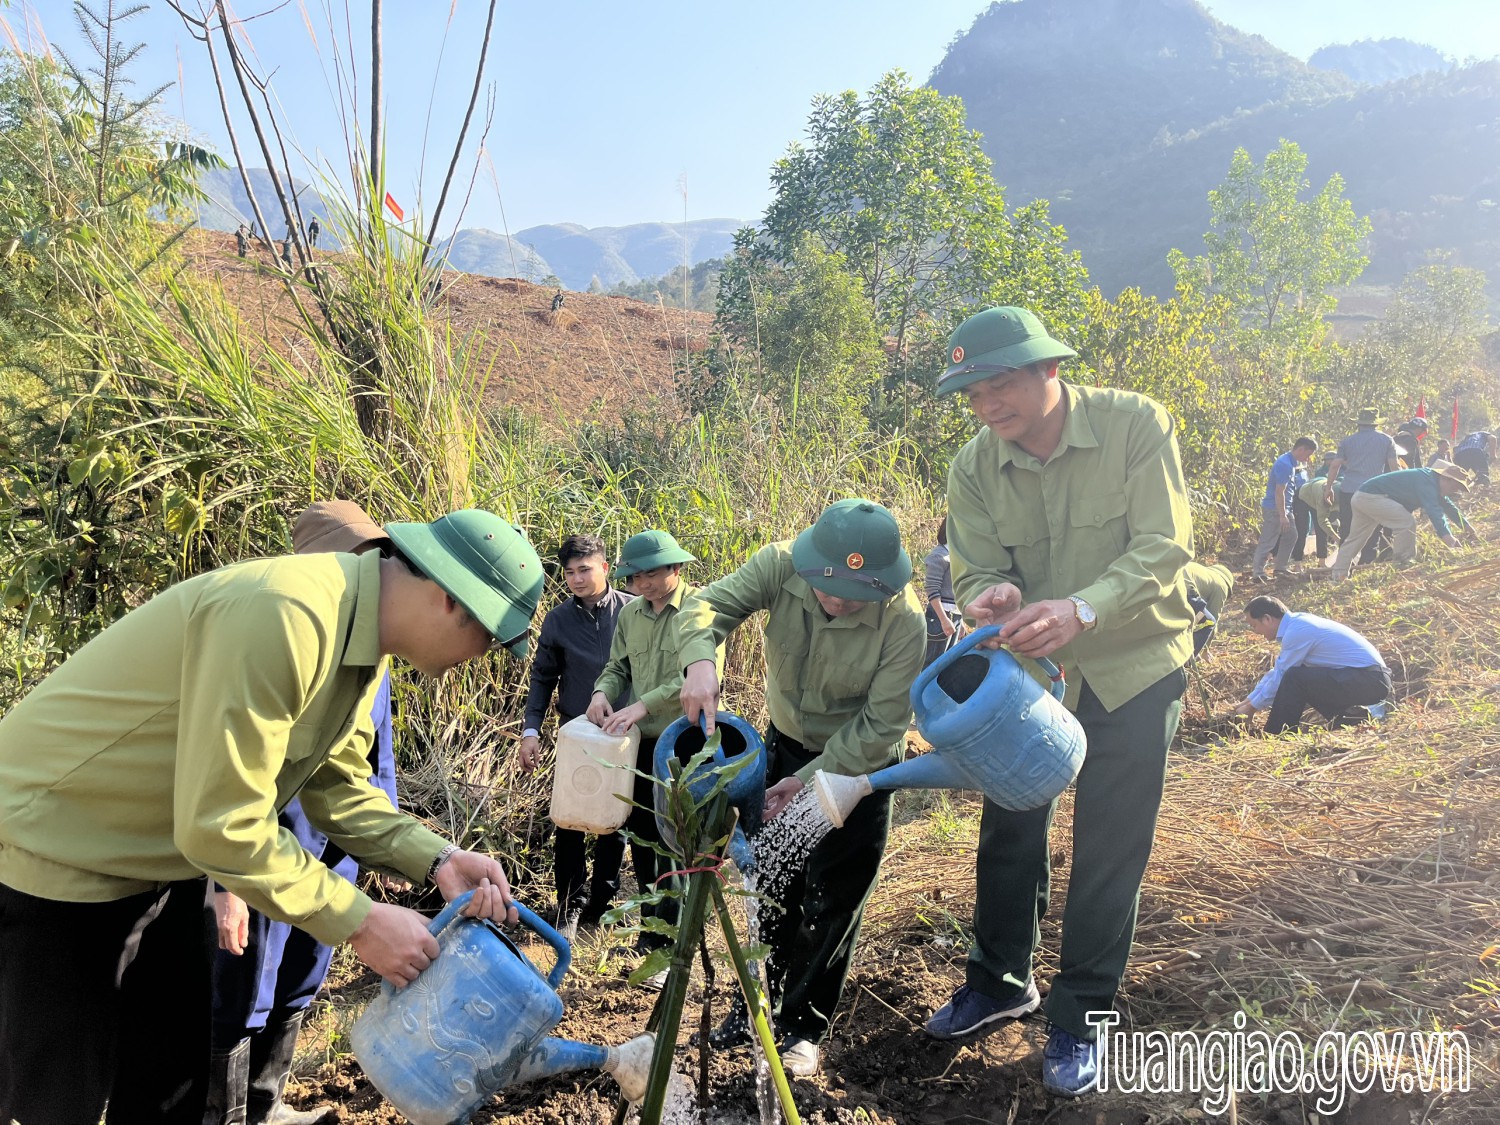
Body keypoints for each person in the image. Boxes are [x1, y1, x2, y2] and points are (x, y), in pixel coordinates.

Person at [0, 508, 543, 1125]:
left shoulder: (361, 642)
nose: (482, 658)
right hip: (57, 853)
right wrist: (361, 923)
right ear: (450, 600)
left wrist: (439, 859)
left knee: (168, 1086)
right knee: (56, 1098)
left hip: (159, 865)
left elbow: (336, 789)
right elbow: (222, 823)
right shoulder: (289, 614)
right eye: (489, 639)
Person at [925, 306, 1196, 1098]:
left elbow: (1165, 544)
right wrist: (992, 592)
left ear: (1049, 369)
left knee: (1111, 841)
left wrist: (1084, 605)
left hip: (1134, 663)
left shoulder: (1135, 425)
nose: (985, 405)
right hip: (1034, 678)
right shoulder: (974, 465)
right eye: (971, 392)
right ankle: (1000, 979)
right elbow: (974, 571)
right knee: (1010, 826)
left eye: (998, 383)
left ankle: (1083, 1013)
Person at [678, 499, 925, 1077]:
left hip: (855, 770)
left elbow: (881, 725)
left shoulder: (904, 621)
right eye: (825, 588)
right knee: (771, 882)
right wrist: (698, 659)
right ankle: (754, 1005)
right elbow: (705, 604)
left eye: (852, 595)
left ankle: (805, 1026)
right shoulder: (780, 564)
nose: (834, 602)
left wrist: (809, 782)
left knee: (834, 896)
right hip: (785, 744)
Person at [207, 501, 396, 1125]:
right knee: (245, 987)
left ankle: (267, 1104)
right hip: (271, 847)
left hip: (336, 845)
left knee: (301, 976)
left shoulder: (376, 651)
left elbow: (376, 760)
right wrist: (225, 880)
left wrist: (386, 846)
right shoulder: (278, 632)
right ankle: (225, 1115)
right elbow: (229, 772)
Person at [586, 530, 719, 983]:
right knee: (642, 834)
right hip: (641, 744)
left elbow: (692, 676)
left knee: (677, 838)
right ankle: (653, 931)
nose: (642, 584)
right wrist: (603, 692)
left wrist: (641, 705)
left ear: (675, 570)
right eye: (636, 576)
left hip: (685, 742)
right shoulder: (631, 615)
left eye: (651, 575)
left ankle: (677, 937)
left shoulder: (700, 612)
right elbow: (618, 665)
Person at [520, 535, 635, 935]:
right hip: (576, 731)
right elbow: (542, 678)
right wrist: (531, 730)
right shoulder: (557, 620)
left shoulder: (633, 611)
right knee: (568, 818)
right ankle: (570, 902)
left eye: (585, 569)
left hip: (625, 731)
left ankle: (601, 904)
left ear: (605, 567)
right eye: (569, 572)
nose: (577, 579)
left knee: (614, 818)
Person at [1232, 596, 1391, 734]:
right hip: (1364, 678)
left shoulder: (1298, 631)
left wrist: (1252, 708)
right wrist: (1247, 702)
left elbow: (1283, 676)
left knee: (1295, 677)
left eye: (1254, 626)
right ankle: (1351, 718)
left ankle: (1277, 733)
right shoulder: (1297, 625)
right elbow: (1277, 671)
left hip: (1370, 680)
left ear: (1267, 619)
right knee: (1301, 675)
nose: (1256, 632)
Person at [1329, 460, 1475, 580]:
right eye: (1455, 488)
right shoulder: (1427, 481)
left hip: (1361, 496)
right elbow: (1434, 510)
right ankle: (1403, 564)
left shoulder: (1431, 480)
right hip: (1373, 497)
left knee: (1355, 539)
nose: (1455, 492)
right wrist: (1447, 536)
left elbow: (1448, 506)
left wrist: (1466, 526)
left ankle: (1338, 576)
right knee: (1406, 523)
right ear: (1446, 478)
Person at [1325, 408, 1401, 568]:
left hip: (1349, 491)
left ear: (1359, 424)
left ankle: (1344, 565)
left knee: (1347, 529)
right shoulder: (1387, 440)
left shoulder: (1347, 441)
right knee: (1373, 529)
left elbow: (1334, 465)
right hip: (1374, 492)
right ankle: (1365, 563)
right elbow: (1394, 467)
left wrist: (1328, 487)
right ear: (1376, 424)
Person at [1251, 436, 1318, 580]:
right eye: (1308, 454)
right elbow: (1279, 491)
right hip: (1275, 508)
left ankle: (1280, 568)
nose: (1308, 459)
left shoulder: (1291, 463)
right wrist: (1282, 515)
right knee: (1268, 539)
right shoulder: (1285, 464)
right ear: (1300, 450)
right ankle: (1258, 573)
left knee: (1292, 535)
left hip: (1285, 508)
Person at [922, 515, 963, 667]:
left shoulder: (956, 555)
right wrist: (944, 619)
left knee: (947, 663)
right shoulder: (939, 555)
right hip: (940, 615)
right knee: (932, 663)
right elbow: (932, 589)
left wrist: (961, 621)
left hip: (955, 616)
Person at [1290, 458, 1336, 567]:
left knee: (1321, 530)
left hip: (1317, 497)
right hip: (1302, 497)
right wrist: (1336, 538)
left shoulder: (1338, 489)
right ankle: (1297, 563)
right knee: (1302, 529)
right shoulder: (1324, 493)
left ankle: (1322, 562)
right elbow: (1323, 521)